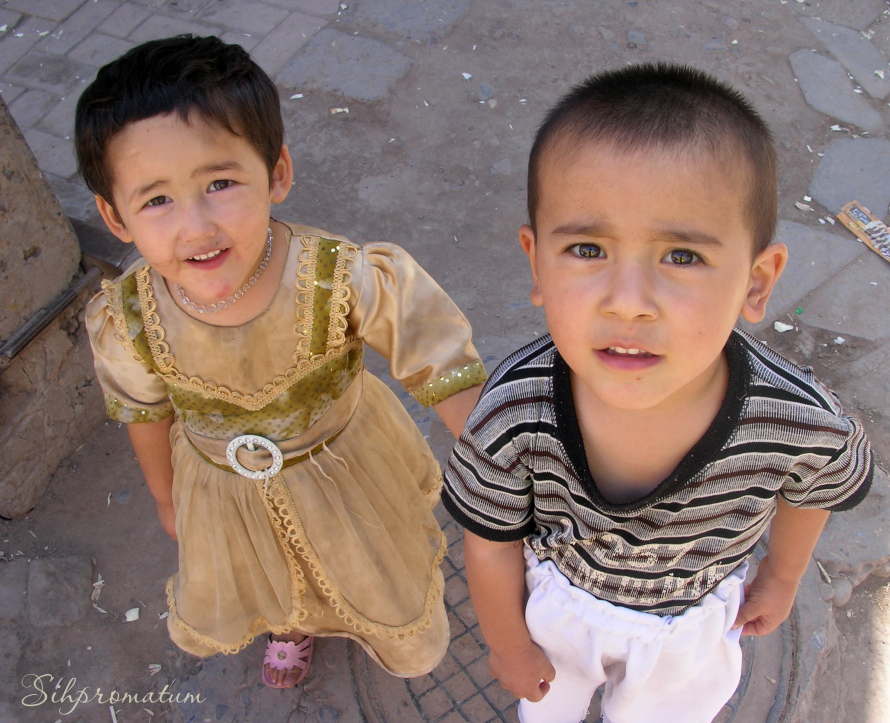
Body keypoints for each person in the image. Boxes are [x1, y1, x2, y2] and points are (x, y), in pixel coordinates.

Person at [442, 63, 873, 723]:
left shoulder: (795, 418)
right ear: (536, 262)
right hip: (563, 604)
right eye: (587, 248)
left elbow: (816, 481)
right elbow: (491, 538)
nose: (629, 302)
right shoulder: (512, 410)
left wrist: (782, 575)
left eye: (682, 256)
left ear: (757, 283)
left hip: (691, 622)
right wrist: (506, 643)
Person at [76, 35, 487, 689]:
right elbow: (142, 409)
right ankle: (291, 622)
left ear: (277, 173)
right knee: (263, 565)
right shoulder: (128, 319)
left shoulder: (339, 277)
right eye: (156, 199)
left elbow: (435, 354)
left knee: (368, 563)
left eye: (220, 182)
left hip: (347, 469)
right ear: (114, 216)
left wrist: (499, 459)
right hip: (221, 490)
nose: (196, 224)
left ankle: (368, 619)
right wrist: (164, 496)